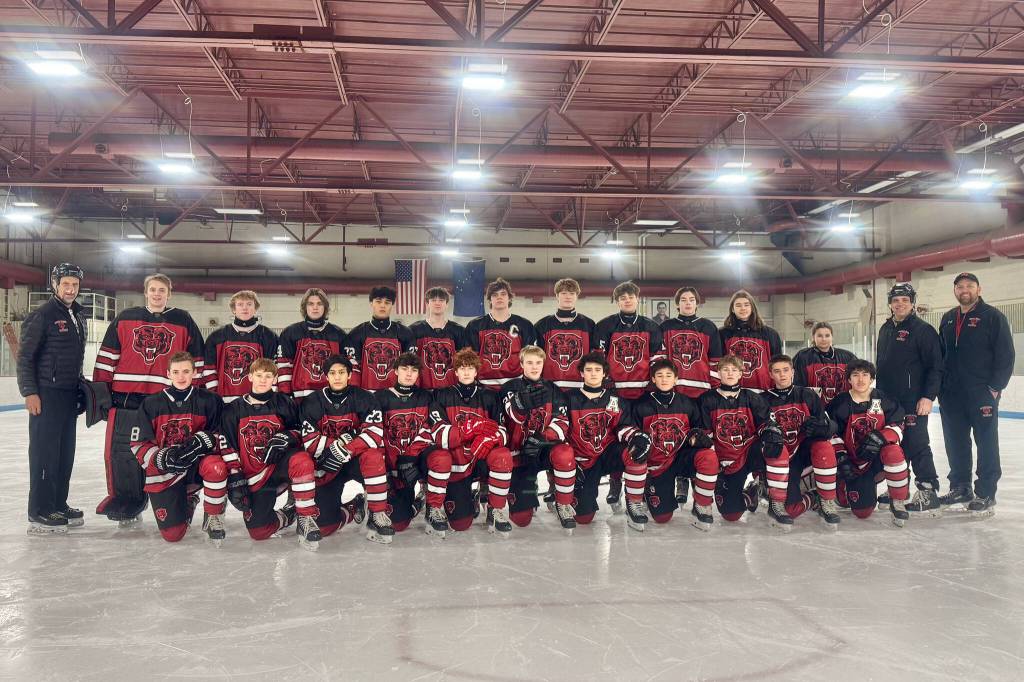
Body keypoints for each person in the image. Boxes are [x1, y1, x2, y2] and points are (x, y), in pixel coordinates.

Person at [93, 273, 205, 526]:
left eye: (162, 290)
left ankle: (175, 497)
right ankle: (127, 498)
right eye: (153, 289)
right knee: (122, 452)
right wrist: (101, 392)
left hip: (165, 402)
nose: (157, 294)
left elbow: (197, 359)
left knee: (168, 451)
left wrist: (194, 394)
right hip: (125, 399)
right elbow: (107, 357)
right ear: (146, 292)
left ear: (169, 294)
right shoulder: (125, 318)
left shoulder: (183, 319)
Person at [218, 358, 322, 551]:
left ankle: (306, 518)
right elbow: (227, 445)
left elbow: (301, 431)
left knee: (302, 460)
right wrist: (236, 477)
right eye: (258, 375)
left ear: (275, 378)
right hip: (254, 475)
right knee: (259, 531)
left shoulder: (285, 402)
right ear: (250, 377)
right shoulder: (233, 410)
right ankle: (290, 514)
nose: (263, 380)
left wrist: (288, 436)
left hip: (278, 466)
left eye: (268, 376)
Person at [18, 262, 88, 535]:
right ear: (55, 285)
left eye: (75, 284)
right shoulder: (43, 315)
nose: (70, 289)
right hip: (46, 394)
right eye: (66, 284)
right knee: (44, 454)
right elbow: (25, 358)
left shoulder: (77, 315)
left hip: (68, 394)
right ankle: (40, 510)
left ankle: (58, 502)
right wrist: (30, 392)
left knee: (64, 453)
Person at [937, 273, 1015, 516]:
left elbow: (1006, 355)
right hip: (951, 394)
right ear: (955, 290)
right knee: (955, 441)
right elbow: (941, 355)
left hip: (981, 393)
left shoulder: (993, 317)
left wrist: (994, 388)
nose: (964, 290)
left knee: (986, 442)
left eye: (969, 286)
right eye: (960, 286)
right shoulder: (948, 318)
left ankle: (986, 492)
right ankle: (960, 487)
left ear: (978, 289)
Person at [129, 352, 226, 545]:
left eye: (186, 371)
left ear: (194, 373)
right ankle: (188, 500)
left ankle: (214, 516)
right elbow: (137, 444)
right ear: (168, 374)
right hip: (165, 471)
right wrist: (160, 458)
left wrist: (207, 439)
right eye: (176, 372)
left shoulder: (210, 400)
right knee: (173, 535)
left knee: (217, 466)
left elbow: (223, 436)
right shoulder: (151, 404)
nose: (181, 377)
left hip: (197, 464)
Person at [298, 354, 391, 543]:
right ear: (326, 376)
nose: (337, 377)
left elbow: (374, 434)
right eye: (332, 373)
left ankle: (377, 513)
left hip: (354, 461)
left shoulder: (365, 398)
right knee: (325, 526)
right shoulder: (312, 401)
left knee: (374, 456)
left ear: (349, 374)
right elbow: (310, 441)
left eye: (342, 372)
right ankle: (354, 507)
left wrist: (345, 449)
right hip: (328, 464)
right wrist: (340, 445)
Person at [423, 348, 513, 535]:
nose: (466, 372)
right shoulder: (441, 395)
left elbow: (503, 432)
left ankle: (495, 509)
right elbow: (440, 436)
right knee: (460, 524)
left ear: (476, 371)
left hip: (480, 459)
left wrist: (488, 438)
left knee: (502, 454)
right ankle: (450, 502)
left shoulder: (489, 396)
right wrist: (474, 428)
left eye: (470, 368)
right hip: (456, 463)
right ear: (455, 372)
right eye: (462, 368)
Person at [699, 354, 792, 529]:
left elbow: (767, 423)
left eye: (734, 370)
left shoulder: (752, 397)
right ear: (718, 372)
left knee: (778, 448)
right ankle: (751, 493)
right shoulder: (706, 399)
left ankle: (776, 504)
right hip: (725, 459)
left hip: (749, 452)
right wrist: (714, 459)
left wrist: (771, 434)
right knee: (731, 515)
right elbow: (705, 433)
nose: (730, 373)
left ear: (741, 373)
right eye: (725, 369)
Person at [875, 282, 944, 515]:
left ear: (912, 302)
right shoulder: (885, 329)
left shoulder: (923, 330)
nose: (900, 304)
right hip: (888, 400)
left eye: (905, 300)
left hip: (913, 399)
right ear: (890, 304)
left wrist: (928, 396)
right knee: (894, 443)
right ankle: (899, 488)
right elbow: (882, 366)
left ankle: (928, 490)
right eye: (896, 300)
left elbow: (936, 367)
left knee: (916, 443)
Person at [565, 352, 651, 531]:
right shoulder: (569, 399)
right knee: (583, 517)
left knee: (636, 452)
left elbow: (623, 426)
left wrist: (636, 437)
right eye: (588, 370)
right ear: (581, 373)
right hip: (582, 460)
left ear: (604, 373)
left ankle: (634, 503)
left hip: (607, 453)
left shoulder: (615, 400)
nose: (593, 373)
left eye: (598, 370)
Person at [631, 359, 719, 531]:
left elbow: (698, 428)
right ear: (653, 379)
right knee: (662, 518)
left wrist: (697, 436)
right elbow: (633, 435)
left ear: (676, 379)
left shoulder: (687, 403)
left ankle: (701, 504)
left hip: (680, 457)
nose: (664, 379)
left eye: (669, 375)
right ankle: (644, 490)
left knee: (708, 456)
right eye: (660, 375)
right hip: (656, 464)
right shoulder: (641, 404)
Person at [499, 345, 578, 534]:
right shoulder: (510, 387)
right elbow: (512, 416)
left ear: (543, 364)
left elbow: (562, 422)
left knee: (565, 452)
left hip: (542, 449)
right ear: (521, 365)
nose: (534, 367)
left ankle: (563, 503)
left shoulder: (553, 389)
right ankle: (528, 488)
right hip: (519, 454)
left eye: (538, 363)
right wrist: (522, 403)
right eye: (529, 363)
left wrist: (542, 438)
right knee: (522, 519)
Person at [374, 353, 453, 537]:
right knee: (398, 523)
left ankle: (433, 506)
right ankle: (416, 503)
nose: (409, 374)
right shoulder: (380, 398)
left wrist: (410, 455)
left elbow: (434, 426)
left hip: (418, 459)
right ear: (395, 371)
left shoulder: (426, 397)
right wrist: (385, 472)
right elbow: (375, 433)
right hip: (395, 467)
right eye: (404, 369)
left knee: (441, 457)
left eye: (414, 370)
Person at [826, 360, 911, 527]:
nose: (860, 379)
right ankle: (842, 487)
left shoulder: (883, 399)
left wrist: (881, 436)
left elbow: (899, 423)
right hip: (853, 463)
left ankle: (898, 501)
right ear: (849, 379)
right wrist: (841, 457)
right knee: (862, 512)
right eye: (855, 375)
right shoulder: (840, 403)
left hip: (878, 460)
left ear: (872, 378)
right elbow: (830, 432)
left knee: (893, 451)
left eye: (865, 375)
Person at [660, 286, 722, 507]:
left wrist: (715, 388)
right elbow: (660, 359)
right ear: (677, 304)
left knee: (700, 437)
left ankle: (698, 479)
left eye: (692, 300)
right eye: (683, 299)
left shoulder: (708, 327)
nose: (688, 303)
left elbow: (715, 361)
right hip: (675, 392)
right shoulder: (666, 327)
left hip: (701, 393)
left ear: (697, 303)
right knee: (675, 435)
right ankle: (680, 478)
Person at [764, 354, 841, 528]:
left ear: (792, 372)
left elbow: (830, 425)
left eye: (785, 370)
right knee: (790, 509)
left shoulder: (808, 395)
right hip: (779, 458)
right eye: (777, 371)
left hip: (802, 453)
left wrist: (823, 428)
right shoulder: (763, 399)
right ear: (770, 374)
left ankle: (826, 501)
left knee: (823, 445)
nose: (782, 375)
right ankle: (812, 497)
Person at [203, 290, 279, 402]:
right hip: (223, 401)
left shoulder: (269, 336)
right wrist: (214, 395)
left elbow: (273, 370)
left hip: (257, 401)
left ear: (255, 308)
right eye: (240, 304)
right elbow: (209, 368)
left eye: (249, 304)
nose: (245, 308)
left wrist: (267, 396)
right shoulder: (216, 336)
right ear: (233, 309)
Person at [276, 288, 348, 400]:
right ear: (305, 307)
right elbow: (284, 367)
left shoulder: (338, 334)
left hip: (330, 398)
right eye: (311, 304)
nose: (315, 307)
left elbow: (345, 368)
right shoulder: (290, 333)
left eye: (319, 304)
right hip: (299, 398)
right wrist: (285, 396)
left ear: (325, 307)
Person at [467, 278, 538, 389]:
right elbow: (470, 359)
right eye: (495, 295)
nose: (499, 297)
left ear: (509, 298)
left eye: (503, 294)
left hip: (516, 385)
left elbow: (530, 358)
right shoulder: (475, 326)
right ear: (489, 299)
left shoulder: (524, 325)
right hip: (484, 385)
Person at [344, 286, 416, 392]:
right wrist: (356, 394)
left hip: (396, 393)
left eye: (387, 302)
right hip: (367, 393)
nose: (382, 305)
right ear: (371, 303)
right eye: (378, 301)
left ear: (392, 305)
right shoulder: (356, 333)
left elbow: (411, 367)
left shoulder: (405, 333)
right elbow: (353, 368)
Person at [535, 278, 595, 390]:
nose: (568, 296)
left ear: (577, 296)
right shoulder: (542, 325)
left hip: (581, 388)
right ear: (557, 296)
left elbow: (594, 358)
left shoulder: (589, 324)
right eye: (563, 293)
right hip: (549, 387)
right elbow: (536, 358)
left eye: (572, 293)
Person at [719, 289, 782, 393]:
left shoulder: (770, 334)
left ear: (752, 307)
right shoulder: (723, 333)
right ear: (732, 309)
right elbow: (719, 364)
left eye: (746, 304)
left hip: (763, 391)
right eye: (738, 305)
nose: (743, 308)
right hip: (732, 392)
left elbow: (777, 364)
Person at [409, 287, 470, 391]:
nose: (437, 303)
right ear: (427, 304)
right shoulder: (413, 330)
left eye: (441, 300)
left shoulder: (459, 330)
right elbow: (409, 362)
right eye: (433, 300)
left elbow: (464, 363)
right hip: (423, 391)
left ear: (447, 304)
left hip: (452, 390)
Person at [792, 321, 857, 407]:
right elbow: (797, 384)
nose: (824, 339)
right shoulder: (803, 356)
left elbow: (858, 377)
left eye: (827, 335)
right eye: (819, 336)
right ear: (813, 337)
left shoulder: (847, 357)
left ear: (832, 337)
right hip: (814, 408)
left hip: (842, 407)